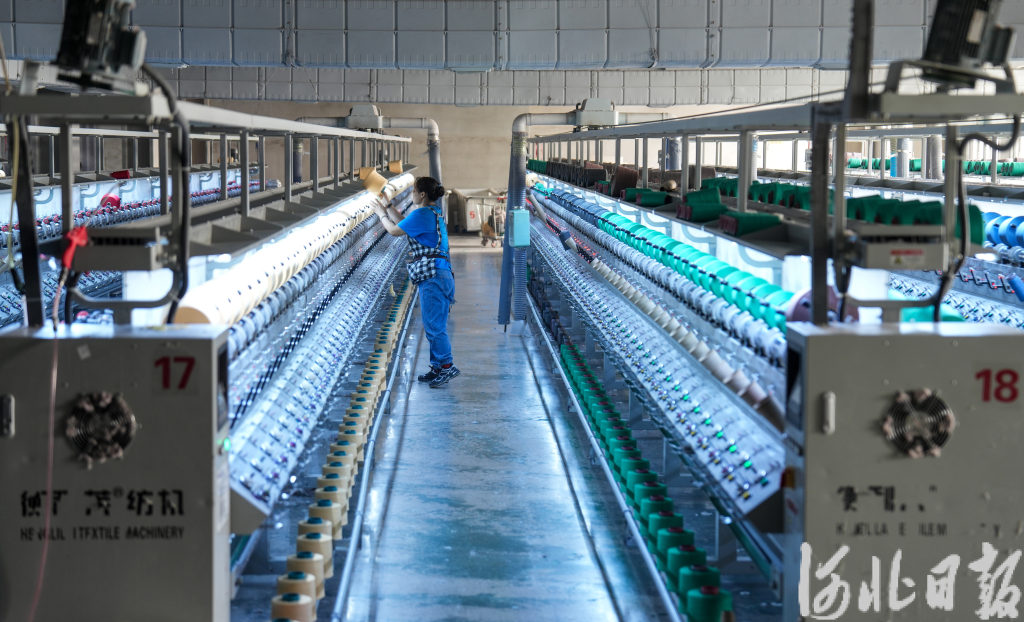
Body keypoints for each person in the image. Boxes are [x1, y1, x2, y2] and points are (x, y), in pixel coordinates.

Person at [373, 176, 459, 388]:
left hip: (433, 276)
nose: (411, 195)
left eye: (413, 191)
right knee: (433, 324)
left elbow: (395, 230)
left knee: (434, 326)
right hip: (439, 274)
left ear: (422, 194)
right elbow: (403, 222)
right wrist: (388, 205)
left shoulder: (423, 213)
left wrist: (380, 214)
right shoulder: (431, 212)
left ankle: (447, 366)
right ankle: (437, 367)